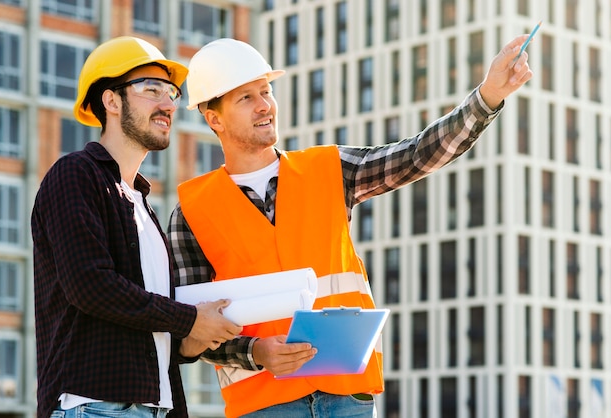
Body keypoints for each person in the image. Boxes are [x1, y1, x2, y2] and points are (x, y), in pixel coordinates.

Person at [168, 36, 533, 417]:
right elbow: (191, 325)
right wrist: (255, 352)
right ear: (214, 119)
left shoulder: (329, 170)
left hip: (347, 398)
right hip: (264, 406)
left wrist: (487, 96)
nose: (265, 105)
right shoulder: (192, 212)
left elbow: (417, 154)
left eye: (266, 91)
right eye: (246, 98)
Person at [31, 36, 242, 418]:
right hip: (95, 406)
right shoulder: (75, 175)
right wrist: (191, 319)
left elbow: (148, 324)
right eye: (152, 90)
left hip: (153, 408)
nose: (167, 104)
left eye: (172, 94)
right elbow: (91, 286)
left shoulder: (143, 205)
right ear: (111, 101)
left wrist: (192, 339)